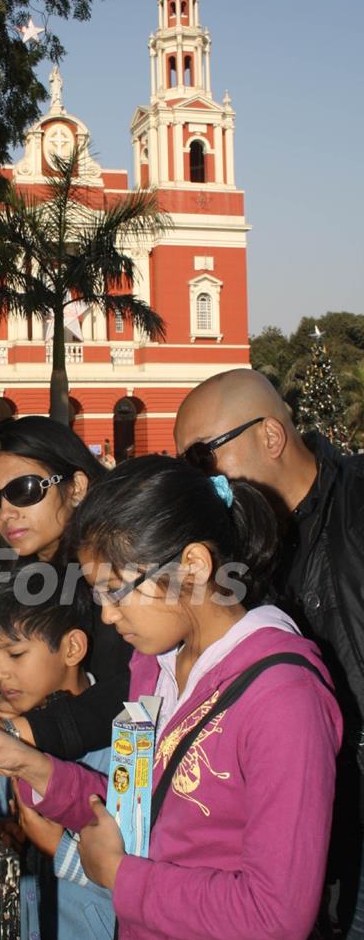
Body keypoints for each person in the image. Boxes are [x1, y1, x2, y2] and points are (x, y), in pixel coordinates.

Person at [0, 456, 343, 940]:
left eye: (118, 591)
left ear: (194, 567)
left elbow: (275, 916)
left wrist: (120, 876)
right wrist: (24, 760)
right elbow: (130, 806)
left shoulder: (283, 699)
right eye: (99, 596)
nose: (110, 618)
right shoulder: (153, 668)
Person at [173, 367, 364, 935]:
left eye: (203, 462)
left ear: (271, 437)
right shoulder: (230, 551)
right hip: (316, 834)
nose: (199, 484)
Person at [0, 415, 129, 761]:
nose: (6, 513)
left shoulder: (122, 573)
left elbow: (134, 693)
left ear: (77, 487)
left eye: (24, 491)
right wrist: (5, 699)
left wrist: (24, 730)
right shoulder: (25, 577)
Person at [0, 575, 115, 940]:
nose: (0, 673)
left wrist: (60, 848)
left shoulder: (124, 745)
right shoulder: (16, 727)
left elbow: (139, 885)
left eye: (16, 654)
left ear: (72, 648)